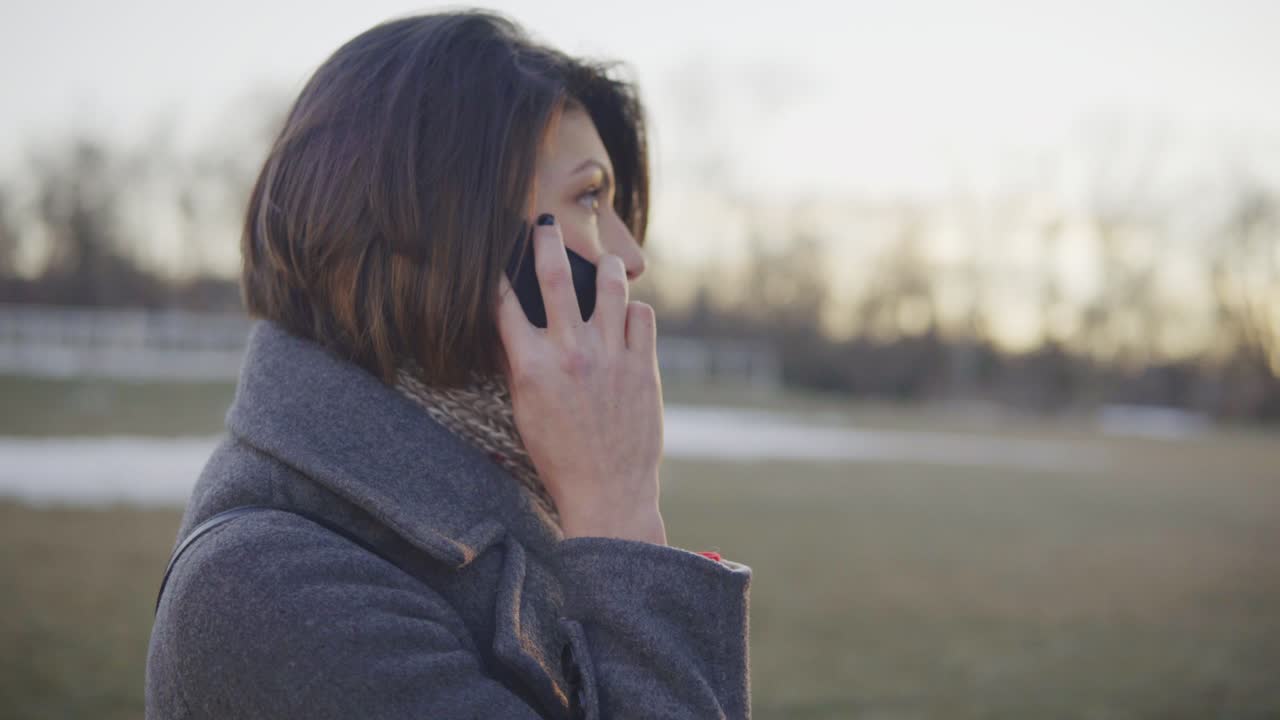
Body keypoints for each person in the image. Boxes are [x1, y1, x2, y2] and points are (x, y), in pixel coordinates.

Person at [144, 10, 752, 720]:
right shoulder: (267, 589)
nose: (631, 257)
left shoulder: (488, 498)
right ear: (439, 228)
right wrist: (620, 517)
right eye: (591, 196)